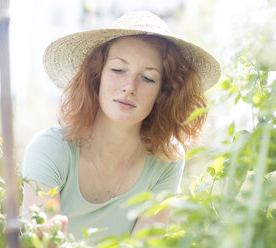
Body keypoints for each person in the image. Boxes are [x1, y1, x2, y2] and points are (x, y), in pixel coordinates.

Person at [22, 11, 220, 243]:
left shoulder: (166, 159)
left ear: (162, 92)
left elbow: (146, 244)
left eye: (147, 78)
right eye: (118, 70)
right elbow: (40, 242)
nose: (129, 87)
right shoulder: (51, 149)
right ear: (97, 76)